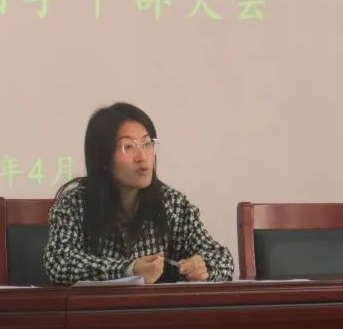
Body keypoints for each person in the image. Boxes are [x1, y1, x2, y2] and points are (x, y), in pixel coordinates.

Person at [43, 102, 234, 285]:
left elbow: (222, 258)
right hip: (95, 308)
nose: (142, 157)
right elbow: (59, 263)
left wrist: (203, 267)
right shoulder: (75, 204)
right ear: (103, 157)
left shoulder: (172, 203)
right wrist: (128, 270)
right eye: (128, 146)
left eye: (147, 144)